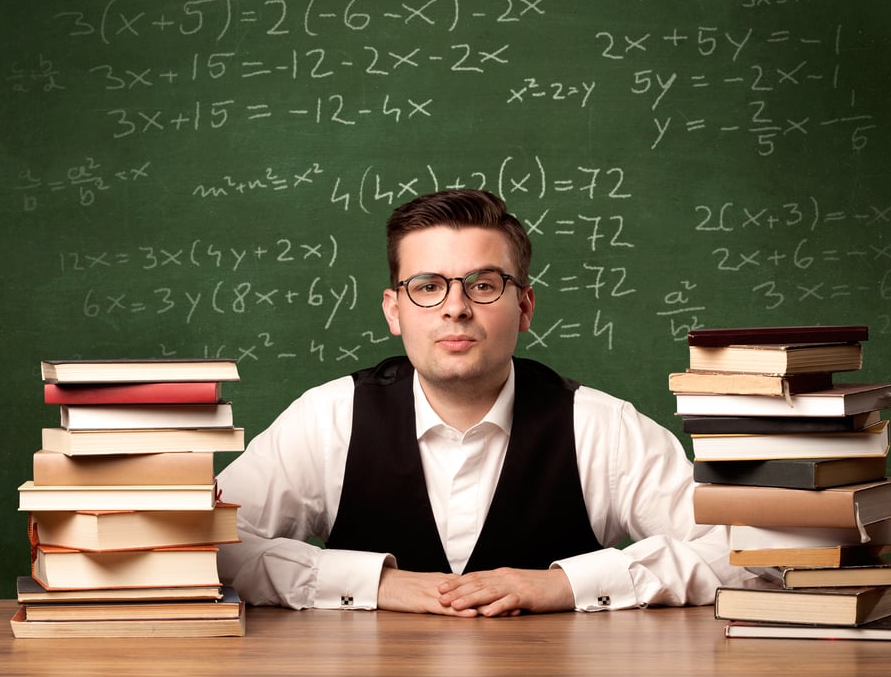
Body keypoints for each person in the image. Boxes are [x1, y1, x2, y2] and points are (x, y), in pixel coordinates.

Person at [216, 188, 748, 617]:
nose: (456, 309)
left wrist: (568, 584)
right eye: (427, 286)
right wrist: (374, 582)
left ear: (524, 306)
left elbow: (743, 557)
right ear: (394, 310)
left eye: (483, 285)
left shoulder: (602, 426)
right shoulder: (327, 418)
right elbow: (210, 546)